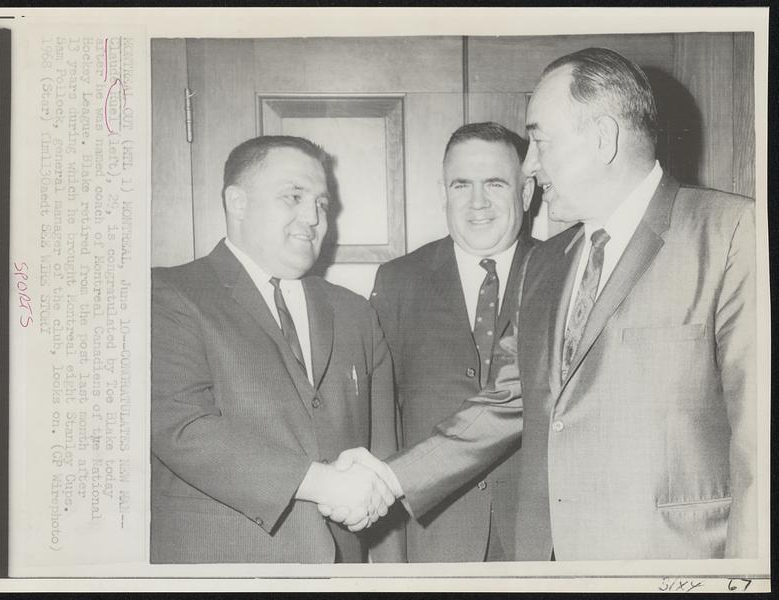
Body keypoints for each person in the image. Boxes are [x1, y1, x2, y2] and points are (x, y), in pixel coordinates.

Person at [330, 47, 757, 560]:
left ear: (602, 138)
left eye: (539, 141)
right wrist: (393, 478)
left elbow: (762, 445)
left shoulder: (732, 233)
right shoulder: (548, 263)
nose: (530, 165)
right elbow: (508, 400)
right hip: (549, 562)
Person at [150, 135, 401, 563]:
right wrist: (321, 483)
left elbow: (383, 459)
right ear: (238, 202)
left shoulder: (355, 312)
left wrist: (393, 579)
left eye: (322, 205)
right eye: (294, 197)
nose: (313, 218)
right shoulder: (170, 294)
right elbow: (182, 428)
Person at [369, 122, 535, 562]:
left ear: (528, 191)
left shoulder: (558, 270)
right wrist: (388, 562)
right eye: (462, 185)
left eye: (495, 183)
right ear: (443, 193)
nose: (477, 202)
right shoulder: (397, 281)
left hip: (538, 540)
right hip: (433, 537)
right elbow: (382, 424)